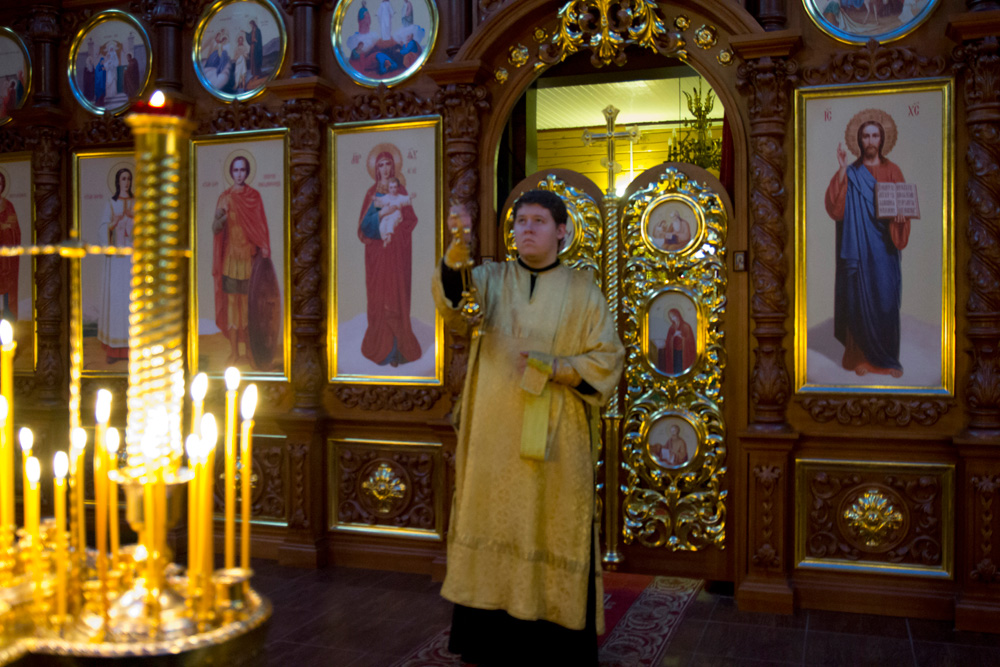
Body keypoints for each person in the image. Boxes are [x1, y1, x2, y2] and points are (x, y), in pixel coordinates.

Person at [432, 190, 624, 666]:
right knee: (492, 520)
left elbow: (609, 358)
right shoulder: (492, 279)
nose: (527, 229)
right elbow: (457, 305)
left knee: (551, 526)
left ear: (562, 231)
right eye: (520, 221)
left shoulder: (583, 291)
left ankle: (554, 647)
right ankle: (486, 641)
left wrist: (558, 367)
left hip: (558, 437)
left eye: (538, 221)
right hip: (493, 433)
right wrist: (456, 252)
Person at [824, 113, 909, 378]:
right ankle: (859, 357)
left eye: (875, 135)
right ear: (859, 141)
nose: (870, 141)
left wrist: (900, 218)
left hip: (885, 248)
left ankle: (888, 360)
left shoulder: (893, 171)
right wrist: (841, 169)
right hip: (858, 250)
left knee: (886, 299)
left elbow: (904, 206)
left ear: (882, 139)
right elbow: (836, 210)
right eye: (865, 136)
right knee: (858, 300)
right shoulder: (851, 173)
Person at [357, 148, 421, 367]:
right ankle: (382, 349)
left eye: (388, 164)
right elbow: (364, 227)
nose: (385, 169)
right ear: (376, 169)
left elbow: (410, 220)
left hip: (396, 256)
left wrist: (397, 228)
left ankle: (398, 350)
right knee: (379, 299)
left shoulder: (400, 190)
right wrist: (382, 216)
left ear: (393, 167)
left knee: (395, 298)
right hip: (377, 256)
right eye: (381, 165)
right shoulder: (371, 194)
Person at [212, 156, 272, 366]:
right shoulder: (225, 198)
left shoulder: (254, 197)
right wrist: (220, 217)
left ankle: (249, 352)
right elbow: (216, 229)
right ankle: (234, 352)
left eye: (243, 170)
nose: (239, 174)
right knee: (231, 304)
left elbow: (260, 227)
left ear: (247, 172)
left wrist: (264, 246)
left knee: (247, 306)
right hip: (230, 259)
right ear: (231, 172)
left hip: (248, 258)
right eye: (236, 170)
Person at [98, 168, 134, 363]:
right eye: (123, 178)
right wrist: (113, 223)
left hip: (133, 260)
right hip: (116, 262)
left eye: (128, 179)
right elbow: (102, 229)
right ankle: (114, 351)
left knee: (131, 302)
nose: (126, 182)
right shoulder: (110, 204)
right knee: (117, 302)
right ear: (117, 181)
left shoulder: (136, 203)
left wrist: (134, 217)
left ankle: (133, 349)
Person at [0, 172, 20, 322]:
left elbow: (16, 230)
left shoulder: (9, 206)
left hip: (6, 259)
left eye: (0, 183)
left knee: (7, 289)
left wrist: (7, 229)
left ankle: (8, 320)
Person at [374, 177, 415, 247]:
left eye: (395, 187)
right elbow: (381, 200)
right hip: (387, 215)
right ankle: (385, 238)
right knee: (382, 226)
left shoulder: (400, 197)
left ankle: (389, 236)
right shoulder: (386, 197)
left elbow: (406, 199)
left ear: (398, 188)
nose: (393, 190)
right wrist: (376, 198)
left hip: (396, 215)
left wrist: (410, 197)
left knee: (391, 223)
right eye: (391, 187)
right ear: (388, 188)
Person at [658, 307, 695, 375]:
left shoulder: (686, 326)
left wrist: (682, 337)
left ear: (678, 315)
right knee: (675, 367)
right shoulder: (672, 327)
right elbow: (668, 340)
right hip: (674, 351)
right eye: (671, 317)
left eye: (674, 316)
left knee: (681, 367)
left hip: (683, 351)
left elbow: (690, 341)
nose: (673, 318)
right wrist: (674, 335)